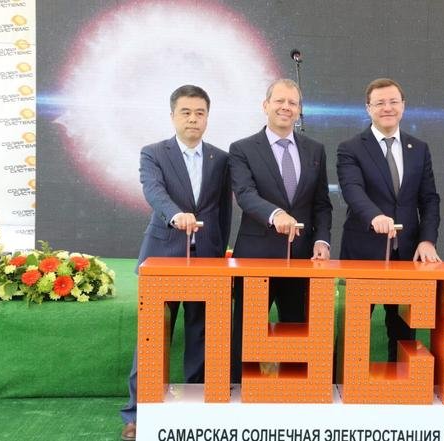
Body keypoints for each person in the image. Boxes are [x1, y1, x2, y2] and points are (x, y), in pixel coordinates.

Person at [120, 85, 232, 441]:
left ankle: (194, 408)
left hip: (206, 260)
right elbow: (154, 192)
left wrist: (218, 250)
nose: (193, 119)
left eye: (200, 113)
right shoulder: (153, 153)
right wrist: (175, 215)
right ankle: (137, 413)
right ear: (172, 116)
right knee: (152, 339)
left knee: (202, 336)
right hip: (162, 257)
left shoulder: (220, 159)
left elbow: (223, 211)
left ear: (207, 117)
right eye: (186, 112)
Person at [228, 78, 332, 382]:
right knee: (247, 330)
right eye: (280, 101)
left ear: (299, 110)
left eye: (292, 103)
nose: (286, 107)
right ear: (266, 105)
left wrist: (322, 240)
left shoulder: (315, 150)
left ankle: (294, 392)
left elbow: (321, 203)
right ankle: (239, 390)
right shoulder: (242, 149)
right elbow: (245, 194)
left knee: (297, 329)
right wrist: (275, 214)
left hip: (302, 258)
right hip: (256, 257)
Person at [337, 78, 441, 362]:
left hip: (407, 254)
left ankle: (403, 383)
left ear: (403, 106)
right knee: (353, 333)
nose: (387, 108)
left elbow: (429, 199)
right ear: (368, 108)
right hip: (363, 253)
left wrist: (427, 240)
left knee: (404, 332)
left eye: (393, 102)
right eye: (380, 103)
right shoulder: (350, 148)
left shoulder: (419, 148)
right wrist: (375, 216)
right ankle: (344, 384)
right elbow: (352, 190)